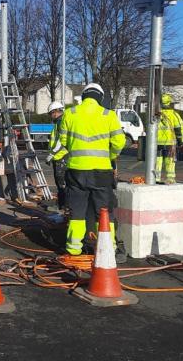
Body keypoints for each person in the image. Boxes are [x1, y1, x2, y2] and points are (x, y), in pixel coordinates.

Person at [58, 83, 125, 256]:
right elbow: (119, 142)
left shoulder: (69, 113)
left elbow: (64, 142)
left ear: (84, 96)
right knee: (103, 212)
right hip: (101, 172)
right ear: (100, 97)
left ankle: (73, 250)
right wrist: (110, 155)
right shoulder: (108, 115)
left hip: (76, 171)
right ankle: (107, 249)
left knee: (77, 212)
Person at [156, 93, 183, 184]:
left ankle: (155, 178)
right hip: (170, 143)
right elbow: (179, 129)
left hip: (156, 143)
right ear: (169, 103)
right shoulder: (174, 115)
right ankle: (170, 178)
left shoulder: (155, 114)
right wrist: (181, 141)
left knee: (157, 160)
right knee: (170, 161)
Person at [45, 101, 68, 209]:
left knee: (61, 184)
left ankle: (63, 207)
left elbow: (61, 141)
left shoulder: (60, 122)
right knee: (62, 184)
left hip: (61, 157)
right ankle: (62, 206)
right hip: (60, 156)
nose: (51, 116)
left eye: (51, 113)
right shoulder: (60, 121)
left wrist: (52, 154)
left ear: (55, 112)